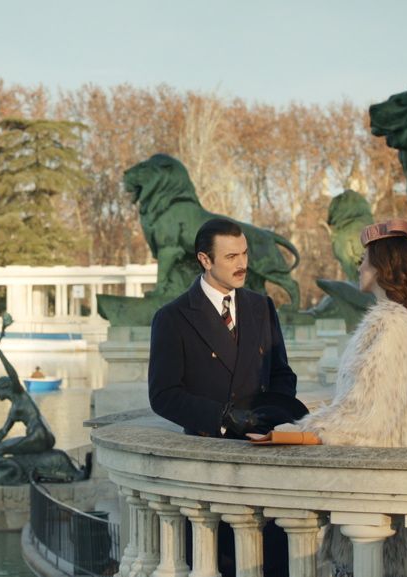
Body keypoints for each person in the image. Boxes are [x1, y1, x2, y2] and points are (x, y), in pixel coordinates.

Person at [266, 218, 407, 577]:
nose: (359, 266)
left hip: (378, 485)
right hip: (381, 482)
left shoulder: (393, 326)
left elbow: (368, 414)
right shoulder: (397, 322)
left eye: (365, 259)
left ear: (383, 266)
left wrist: (301, 431)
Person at [148, 217, 306, 577]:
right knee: (221, 564)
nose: (243, 264)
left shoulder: (261, 306)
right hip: (210, 468)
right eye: (231, 256)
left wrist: (274, 416)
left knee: (272, 562)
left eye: (245, 253)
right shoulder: (171, 318)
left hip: (263, 459)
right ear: (205, 260)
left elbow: (282, 373)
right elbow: (163, 395)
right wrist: (224, 417)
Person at [0, 345, 56, 455]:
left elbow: (13, 374)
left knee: (2, 449)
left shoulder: (19, 393)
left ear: (4, 387)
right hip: (45, 436)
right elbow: (3, 431)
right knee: (2, 446)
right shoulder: (13, 410)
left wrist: (1, 355)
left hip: (38, 436)